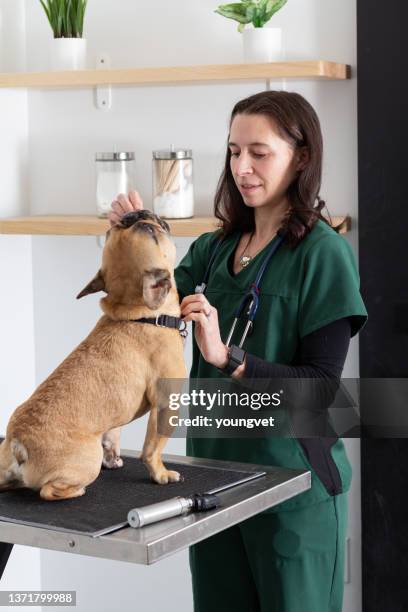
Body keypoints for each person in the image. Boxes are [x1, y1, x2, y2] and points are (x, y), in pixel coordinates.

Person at [115, 90, 368, 611]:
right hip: (212, 490)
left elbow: (321, 389)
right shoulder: (213, 251)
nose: (242, 167)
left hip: (292, 495)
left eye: (259, 152)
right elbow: (148, 310)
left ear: (300, 157)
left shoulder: (324, 255)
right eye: (233, 151)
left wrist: (230, 358)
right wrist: (134, 236)